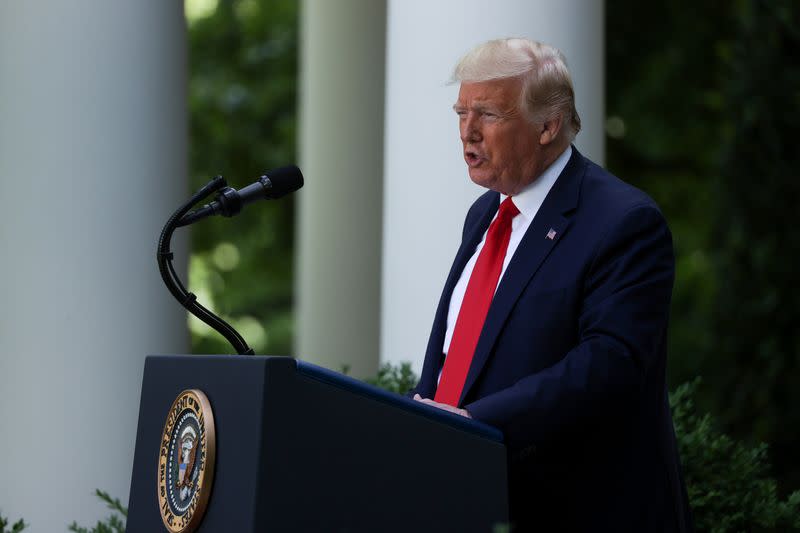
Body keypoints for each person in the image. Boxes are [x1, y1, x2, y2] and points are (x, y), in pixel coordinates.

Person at [410, 38, 693, 532]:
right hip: (470, 498)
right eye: (461, 112)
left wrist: (473, 424)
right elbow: (460, 353)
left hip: (579, 510)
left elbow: (610, 364)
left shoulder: (624, 221)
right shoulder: (485, 214)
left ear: (548, 125)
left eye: (488, 115)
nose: (467, 132)